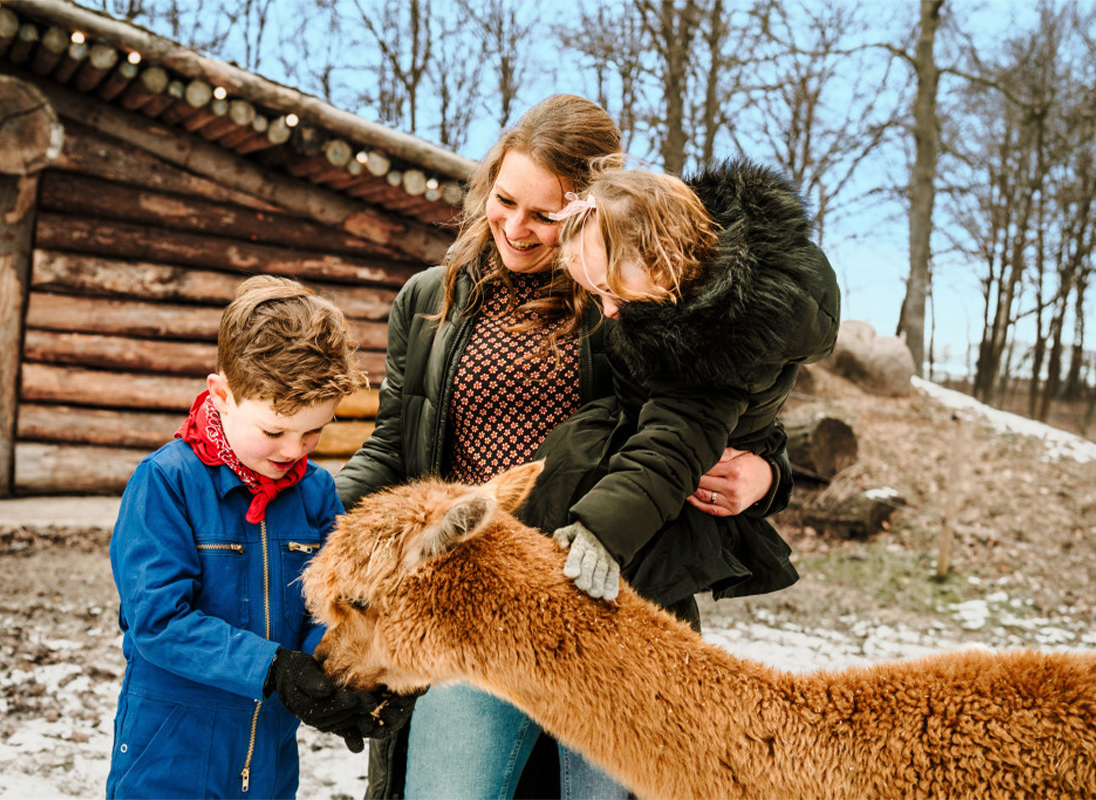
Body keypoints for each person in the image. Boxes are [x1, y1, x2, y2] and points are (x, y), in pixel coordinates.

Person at [334, 95, 792, 800]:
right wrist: (312, 506)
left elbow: (721, 417)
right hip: (472, 605)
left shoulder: (630, 300)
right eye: (504, 200)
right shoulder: (429, 300)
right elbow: (394, 445)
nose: (516, 227)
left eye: (544, 215)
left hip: (611, 602)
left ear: (587, 208)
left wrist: (765, 475)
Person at [106, 276, 415, 800]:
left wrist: (345, 683)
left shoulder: (316, 493)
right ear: (222, 395)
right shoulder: (166, 483)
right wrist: (271, 669)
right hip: (170, 756)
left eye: (313, 431)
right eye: (274, 431)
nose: (294, 450)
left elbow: (327, 611)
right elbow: (158, 621)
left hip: (268, 762)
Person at [530, 158, 840, 610]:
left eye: (611, 289)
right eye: (597, 295)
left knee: (633, 617)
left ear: (661, 259)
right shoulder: (673, 296)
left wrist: (601, 532)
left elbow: (670, 449)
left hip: (658, 507)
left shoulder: (712, 346)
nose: (609, 310)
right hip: (637, 462)